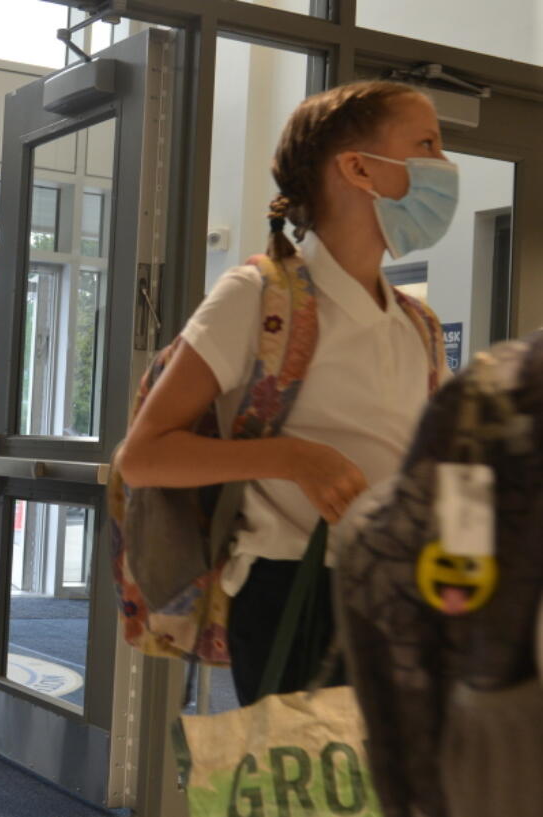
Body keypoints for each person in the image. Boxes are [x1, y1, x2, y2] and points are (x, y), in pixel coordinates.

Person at [116, 80, 455, 705]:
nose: (445, 167)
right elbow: (144, 455)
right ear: (358, 167)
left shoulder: (417, 324)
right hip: (296, 593)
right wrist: (293, 458)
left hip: (400, 594)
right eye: (428, 144)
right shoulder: (261, 296)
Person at [337, 332, 543, 817]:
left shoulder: (420, 328)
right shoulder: (501, 395)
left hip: (481, 722)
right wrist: (298, 460)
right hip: (495, 727)